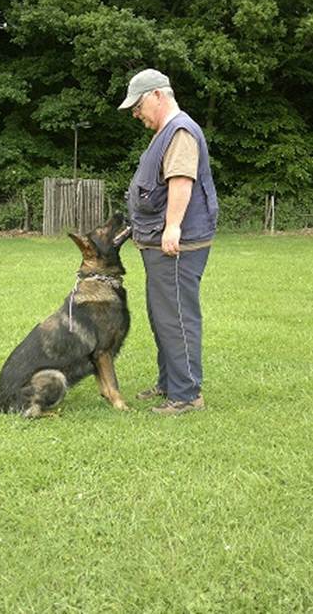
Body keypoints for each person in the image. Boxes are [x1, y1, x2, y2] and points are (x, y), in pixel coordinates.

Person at [118, 68, 218, 415]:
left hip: (178, 244)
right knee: (163, 315)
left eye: (138, 105)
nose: (135, 113)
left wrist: (172, 227)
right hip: (162, 245)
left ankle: (187, 395)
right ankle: (169, 382)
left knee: (175, 316)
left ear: (158, 95)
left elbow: (181, 180)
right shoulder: (166, 132)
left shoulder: (179, 131)